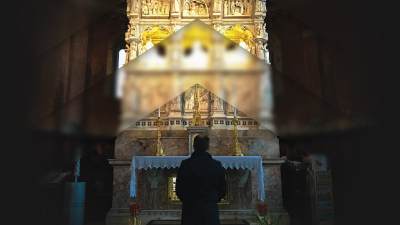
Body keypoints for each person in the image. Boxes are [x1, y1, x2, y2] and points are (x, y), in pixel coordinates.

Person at [176, 135, 226, 225]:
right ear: (208, 147)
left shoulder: (185, 164)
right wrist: (212, 200)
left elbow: (179, 189)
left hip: (190, 209)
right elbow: (223, 189)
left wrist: (188, 200)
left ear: (193, 146)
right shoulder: (216, 165)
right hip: (210, 209)